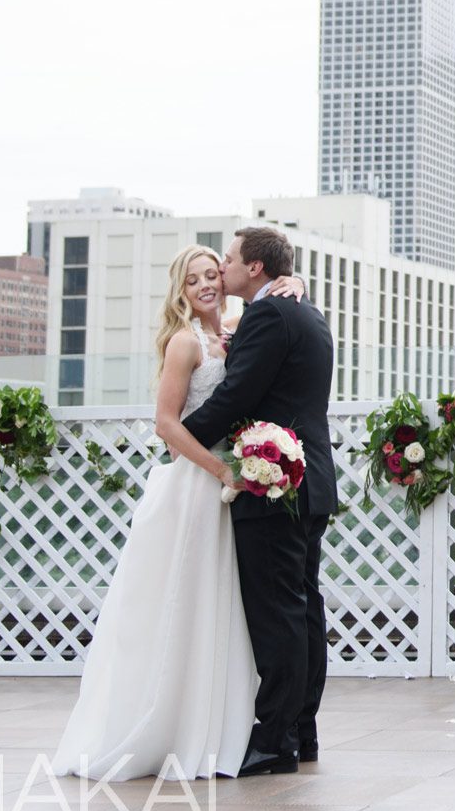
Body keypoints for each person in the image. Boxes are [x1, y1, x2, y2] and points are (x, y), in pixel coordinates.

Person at [53, 243, 307, 780]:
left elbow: (276, 305)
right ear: (182, 291)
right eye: (193, 281)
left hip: (238, 491)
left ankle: (222, 727)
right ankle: (172, 724)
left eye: (213, 274)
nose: (206, 285)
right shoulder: (183, 342)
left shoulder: (239, 327)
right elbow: (167, 425)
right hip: (199, 486)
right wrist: (220, 472)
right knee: (185, 604)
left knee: (230, 609)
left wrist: (296, 282)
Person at [181, 225, 336, 777]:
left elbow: (237, 394)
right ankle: (302, 732)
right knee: (302, 609)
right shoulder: (305, 310)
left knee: (279, 616)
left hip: (276, 486)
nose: (220, 269)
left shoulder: (271, 314)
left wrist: (180, 439)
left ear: (254, 269)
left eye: (226, 260)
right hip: (309, 481)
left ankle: (273, 740)